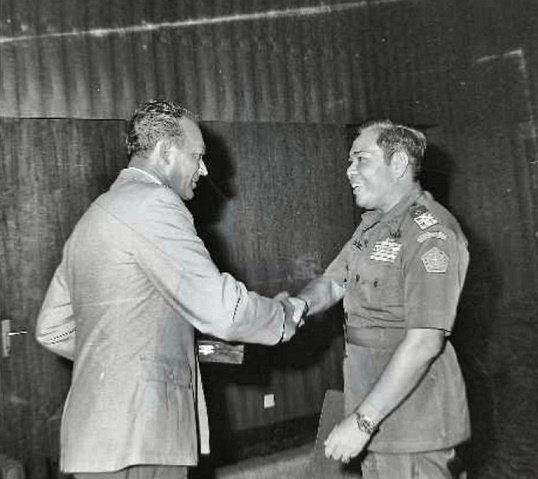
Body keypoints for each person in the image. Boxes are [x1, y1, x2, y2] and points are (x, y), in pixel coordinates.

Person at [35, 99, 300, 479]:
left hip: (95, 439)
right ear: (165, 151)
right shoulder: (155, 203)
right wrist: (283, 316)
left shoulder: (93, 216)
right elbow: (223, 312)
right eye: (197, 156)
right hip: (143, 432)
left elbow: (52, 329)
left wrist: (122, 363)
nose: (203, 169)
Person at [290, 120, 470, 478]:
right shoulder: (374, 225)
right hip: (373, 407)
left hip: (415, 423)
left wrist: (363, 421)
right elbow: (333, 282)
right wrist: (297, 306)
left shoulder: (431, 233)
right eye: (350, 161)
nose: (349, 170)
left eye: (361, 159)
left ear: (398, 163)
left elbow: (425, 341)